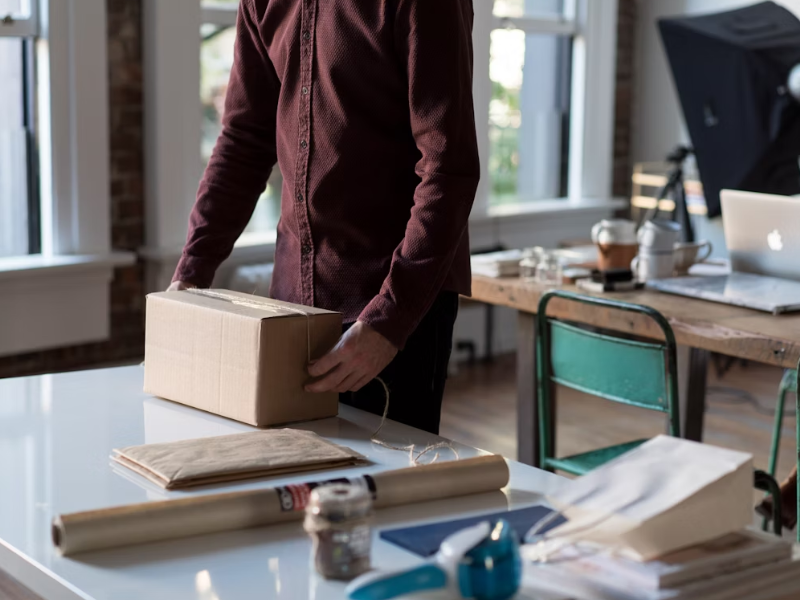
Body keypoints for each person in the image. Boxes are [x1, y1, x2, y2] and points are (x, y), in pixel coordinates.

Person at [169, 0, 480, 435]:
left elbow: (448, 170)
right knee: (293, 489)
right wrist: (190, 275)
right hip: (289, 309)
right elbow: (243, 141)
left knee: (385, 495)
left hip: (393, 307)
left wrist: (388, 322)